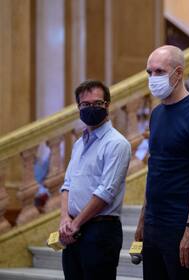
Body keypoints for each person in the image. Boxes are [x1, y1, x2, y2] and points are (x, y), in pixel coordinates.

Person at [134, 45, 189, 280]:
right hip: (154, 224)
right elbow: (155, 169)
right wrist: (142, 220)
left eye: (159, 71)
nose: (153, 78)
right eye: (149, 72)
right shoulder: (157, 114)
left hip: (181, 226)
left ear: (178, 73)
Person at [59, 80, 131, 280]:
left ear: (107, 105)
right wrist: (65, 219)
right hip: (74, 230)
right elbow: (67, 185)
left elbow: (105, 192)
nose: (91, 108)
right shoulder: (78, 144)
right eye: (85, 104)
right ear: (78, 107)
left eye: (97, 103)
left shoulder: (117, 144)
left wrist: (76, 224)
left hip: (100, 231)